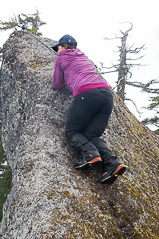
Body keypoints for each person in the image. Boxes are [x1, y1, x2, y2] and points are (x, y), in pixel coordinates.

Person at [51, 34, 127, 184]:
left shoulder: (61, 57)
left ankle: (90, 155)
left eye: (58, 47)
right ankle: (113, 163)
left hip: (86, 94)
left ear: (65, 46)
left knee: (72, 131)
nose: (57, 51)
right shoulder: (83, 56)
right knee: (91, 135)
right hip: (106, 95)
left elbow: (57, 84)